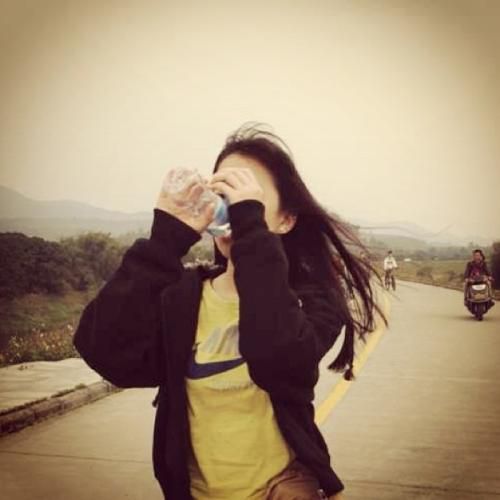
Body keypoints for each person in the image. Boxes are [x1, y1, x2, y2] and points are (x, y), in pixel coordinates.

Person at [74, 125, 383, 500]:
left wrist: (250, 229)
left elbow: (278, 361)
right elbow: (105, 353)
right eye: (223, 195)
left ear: (286, 219)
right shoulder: (184, 298)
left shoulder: (313, 303)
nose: (233, 209)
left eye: (247, 197)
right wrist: (163, 244)